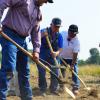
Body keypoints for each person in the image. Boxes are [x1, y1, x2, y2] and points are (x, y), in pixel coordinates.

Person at [0, 0, 54, 100]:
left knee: (25, 71)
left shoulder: (38, 13)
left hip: (23, 40)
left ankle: (27, 97)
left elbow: (36, 32)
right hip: (9, 35)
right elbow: (2, 2)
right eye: (46, 0)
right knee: (9, 68)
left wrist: (36, 50)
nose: (45, 2)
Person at [37, 17, 63, 96]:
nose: (57, 28)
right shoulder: (43, 31)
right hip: (42, 53)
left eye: (58, 27)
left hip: (53, 54)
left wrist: (57, 53)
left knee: (55, 71)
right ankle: (42, 89)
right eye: (55, 26)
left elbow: (61, 48)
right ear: (51, 25)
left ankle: (53, 89)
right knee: (41, 71)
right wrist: (41, 35)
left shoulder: (59, 35)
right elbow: (33, 39)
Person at [60, 24, 80, 95]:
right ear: (69, 31)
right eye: (72, 33)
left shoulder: (77, 41)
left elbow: (75, 54)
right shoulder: (62, 33)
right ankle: (62, 87)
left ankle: (75, 88)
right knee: (61, 72)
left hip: (72, 59)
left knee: (74, 71)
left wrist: (72, 65)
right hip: (61, 57)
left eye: (75, 34)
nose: (73, 36)